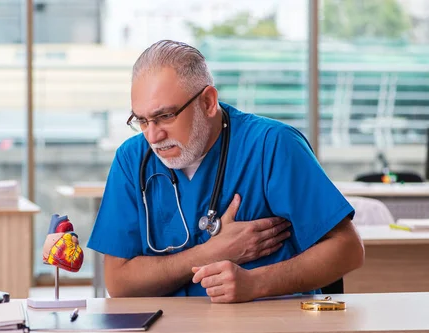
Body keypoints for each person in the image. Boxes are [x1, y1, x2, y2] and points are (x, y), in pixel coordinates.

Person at [87, 40, 364, 302]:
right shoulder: (133, 159)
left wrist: (256, 283)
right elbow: (118, 282)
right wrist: (210, 253)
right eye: (142, 120)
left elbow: (348, 250)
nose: (153, 136)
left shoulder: (272, 146)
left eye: (165, 116)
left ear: (208, 102)